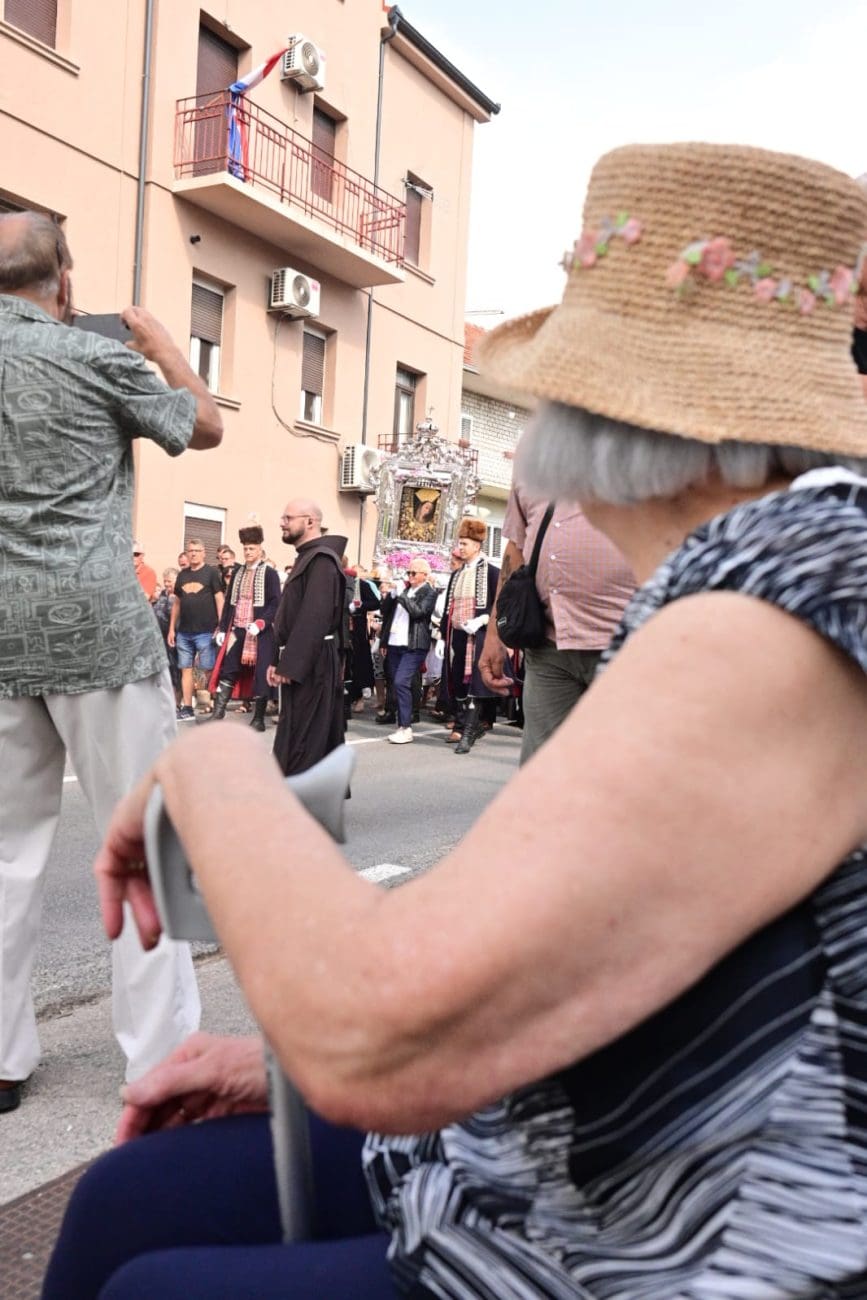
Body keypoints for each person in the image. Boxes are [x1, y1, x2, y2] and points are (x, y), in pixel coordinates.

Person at [44, 142, 867, 1297]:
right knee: (127, 1199)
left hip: (666, 1240)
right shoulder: (755, 574)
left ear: (602, 414)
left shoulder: (797, 579)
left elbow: (372, 1026)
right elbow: (576, 949)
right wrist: (301, 1072)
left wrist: (213, 764)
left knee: (151, 1284)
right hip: (590, 1159)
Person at [0, 210, 221, 1115]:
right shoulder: (94, 357)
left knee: (3, 855)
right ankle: (157, 1064)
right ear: (64, 280)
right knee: (138, 846)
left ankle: (1, 1061)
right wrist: (166, 346)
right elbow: (204, 426)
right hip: (96, 632)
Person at [480, 487, 636, 762]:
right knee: (541, 767)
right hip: (548, 647)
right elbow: (516, 547)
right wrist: (495, 634)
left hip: (631, 646)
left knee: (625, 769)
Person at [268, 499, 347, 776]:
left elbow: (314, 616)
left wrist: (290, 665)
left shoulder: (322, 561)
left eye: (288, 518)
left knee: (307, 734)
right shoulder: (307, 556)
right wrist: (276, 659)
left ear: (310, 522)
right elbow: (290, 614)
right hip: (304, 659)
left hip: (314, 663)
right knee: (298, 731)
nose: (282, 523)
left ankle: (304, 792)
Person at [210, 526, 281, 732]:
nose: (248, 552)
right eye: (246, 549)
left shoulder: (270, 574)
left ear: (260, 549)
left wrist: (261, 623)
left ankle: (258, 719)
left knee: (261, 672)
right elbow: (229, 604)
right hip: (239, 628)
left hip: (260, 631)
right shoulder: (238, 572)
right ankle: (218, 711)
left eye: (252, 548)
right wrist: (223, 628)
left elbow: (275, 603)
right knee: (229, 668)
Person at [442, 517, 501, 753]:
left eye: (465, 543)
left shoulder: (492, 572)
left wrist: (482, 619)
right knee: (457, 681)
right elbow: (449, 607)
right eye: (460, 543)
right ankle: (462, 724)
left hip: (479, 636)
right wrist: (442, 635)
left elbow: (500, 605)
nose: (461, 547)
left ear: (477, 546)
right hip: (458, 634)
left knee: (474, 683)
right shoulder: (457, 574)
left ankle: (467, 731)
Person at [379, 557, 436, 745]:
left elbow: (418, 612)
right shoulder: (404, 590)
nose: (410, 576)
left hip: (414, 645)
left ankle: (406, 726)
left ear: (424, 575)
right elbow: (385, 611)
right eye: (408, 572)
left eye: (413, 573)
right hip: (395, 642)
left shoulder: (429, 592)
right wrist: (392, 594)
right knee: (395, 683)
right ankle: (402, 724)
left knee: (401, 681)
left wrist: (402, 597)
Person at [168, 538, 224, 721]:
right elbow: (177, 603)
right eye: (190, 550)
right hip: (184, 631)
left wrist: (221, 626)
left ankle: (211, 701)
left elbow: (219, 599)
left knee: (207, 669)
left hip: (206, 631)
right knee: (185, 669)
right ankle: (187, 708)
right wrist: (172, 629)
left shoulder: (212, 573)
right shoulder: (182, 575)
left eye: (196, 550)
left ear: (203, 553)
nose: (193, 554)